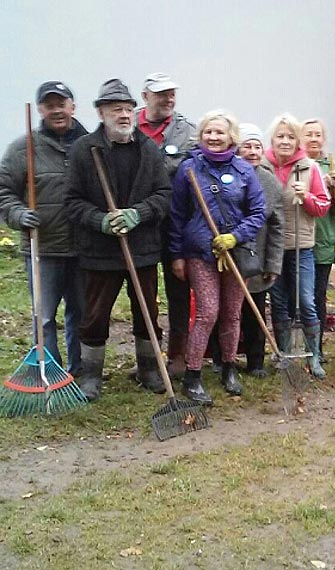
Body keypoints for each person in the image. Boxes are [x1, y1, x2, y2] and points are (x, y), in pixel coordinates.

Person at [65, 79, 172, 401]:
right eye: (116, 109)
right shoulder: (85, 150)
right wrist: (99, 220)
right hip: (99, 252)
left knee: (147, 311)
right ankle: (91, 376)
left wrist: (138, 213)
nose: (124, 115)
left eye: (127, 109)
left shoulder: (148, 149)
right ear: (101, 112)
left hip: (142, 250)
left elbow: (164, 194)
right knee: (95, 314)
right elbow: (72, 201)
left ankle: (148, 369)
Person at [170, 110, 266, 405]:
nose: (214, 137)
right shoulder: (189, 169)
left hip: (234, 252)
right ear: (201, 137)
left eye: (220, 132)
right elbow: (176, 214)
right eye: (208, 132)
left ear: (231, 137)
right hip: (200, 252)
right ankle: (193, 375)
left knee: (232, 313)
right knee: (207, 312)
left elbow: (259, 212)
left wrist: (235, 236)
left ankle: (228, 367)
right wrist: (177, 254)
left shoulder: (244, 171)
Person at [0, 81, 88, 376]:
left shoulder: (89, 145)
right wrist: (17, 213)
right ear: (40, 109)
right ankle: (51, 373)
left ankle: (79, 372)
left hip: (83, 247)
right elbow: (4, 191)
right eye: (49, 105)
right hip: (43, 248)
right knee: (45, 317)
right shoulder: (22, 148)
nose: (57, 110)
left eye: (61, 104)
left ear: (73, 107)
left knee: (81, 314)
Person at [136, 72, 197, 377]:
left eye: (172, 94)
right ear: (145, 96)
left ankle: (177, 355)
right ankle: (148, 358)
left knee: (179, 290)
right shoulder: (129, 127)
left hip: (177, 225)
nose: (169, 99)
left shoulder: (189, 133)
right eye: (162, 94)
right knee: (143, 292)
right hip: (140, 224)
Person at [262, 113, 331, 379]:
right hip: (272, 247)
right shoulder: (263, 165)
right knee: (278, 302)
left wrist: (308, 196)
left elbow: (323, 207)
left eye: (291, 136)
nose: (286, 141)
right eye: (281, 136)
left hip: (302, 245)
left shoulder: (309, 167)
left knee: (306, 300)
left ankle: (313, 356)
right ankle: (283, 354)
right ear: (273, 139)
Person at [300, 118, 335, 361]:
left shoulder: (334, 168)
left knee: (318, 296)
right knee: (298, 296)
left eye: (317, 134)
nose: (313, 138)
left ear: (324, 139)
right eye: (308, 134)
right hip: (297, 240)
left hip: (322, 241)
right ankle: (296, 347)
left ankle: (316, 349)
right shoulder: (296, 164)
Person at [237, 123, 284, 377]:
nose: (253, 151)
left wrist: (274, 265)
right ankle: (225, 360)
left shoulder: (270, 182)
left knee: (255, 312)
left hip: (258, 258)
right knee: (226, 312)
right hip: (229, 256)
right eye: (247, 146)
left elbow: (277, 227)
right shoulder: (227, 175)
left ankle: (256, 362)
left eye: (257, 146)